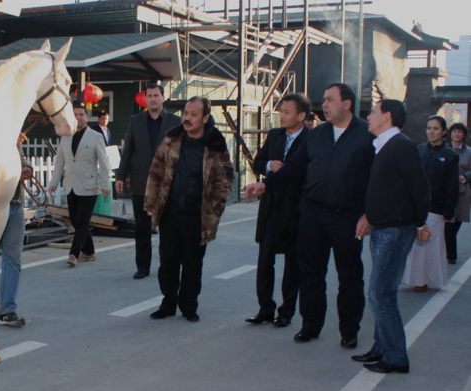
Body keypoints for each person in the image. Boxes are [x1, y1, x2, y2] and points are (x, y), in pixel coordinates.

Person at [245, 83, 375, 348]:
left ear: (347, 103)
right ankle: (310, 325)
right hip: (313, 213)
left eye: (330, 99)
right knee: (310, 273)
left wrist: (369, 214)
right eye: (323, 99)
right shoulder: (317, 136)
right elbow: (294, 168)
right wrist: (265, 184)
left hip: (347, 217)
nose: (324, 104)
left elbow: (378, 178)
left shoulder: (367, 135)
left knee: (349, 276)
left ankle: (349, 330)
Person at [351, 99, 430, 374]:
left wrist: (420, 222)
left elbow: (419, 188)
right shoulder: (383, 146)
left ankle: (396, 357)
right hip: (384, 229)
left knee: (381, 294)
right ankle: (381, 348)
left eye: (373, 112)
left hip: (395, 230)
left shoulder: (401, 146)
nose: (369, 116)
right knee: (380, 292)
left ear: (387, 116)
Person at [144, 97, 234, 322]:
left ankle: (189, 306)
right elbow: (156, 171)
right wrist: (151, 202)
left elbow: (225, 179)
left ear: (205, 118)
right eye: (186, 113)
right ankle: (168, 303)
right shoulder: (172, 139)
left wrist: (216, 208)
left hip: (197, 215)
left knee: (193, 265)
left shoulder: (215, 144)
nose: (187, 118)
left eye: (194, 114)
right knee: (168, 263)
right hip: (170, 212)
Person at [246, 93, 310, 328]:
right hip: (271, 204)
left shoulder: (310, 140)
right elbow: (256, 162)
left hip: (296, 208)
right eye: (281, 111)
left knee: (293, 263)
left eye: (286, 112)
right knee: (265, 259)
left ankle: (286, 311)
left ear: (301, 116)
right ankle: (265, 308)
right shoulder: (274, 136)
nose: (281, 116)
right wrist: (268, 165)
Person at [115, 84, 181, 279]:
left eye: (156, 95)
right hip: (140, 180)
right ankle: (142, 266)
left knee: (167, 227)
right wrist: (120, 176)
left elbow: (179, 152)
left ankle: (167, 266)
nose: (153, 99)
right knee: (142, 227)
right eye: (149, 96)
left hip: (166, 183)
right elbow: (128, 150)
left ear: (163, 98)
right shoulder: (135, 121)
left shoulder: (174, 121)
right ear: (145, 99)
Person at [401, 116, 459, 291]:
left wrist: (449, 212)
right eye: (429, 128)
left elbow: (452, 186)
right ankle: (417, 279)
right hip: (416, 205)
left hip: (436, 207)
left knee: (431, 246)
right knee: (415, 246)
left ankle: (426, 279)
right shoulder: (419, 150)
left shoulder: (449, 155)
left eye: (435, 128)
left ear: (443, 132)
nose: (431, 132)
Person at [49, 103, 110, 267]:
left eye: (81, 114)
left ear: (87, 117)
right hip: (70, 184)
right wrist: (54, 182)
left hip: (89, 186)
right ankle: (89, 252)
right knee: (76, 221)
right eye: (75, 114)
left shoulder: (95, 136)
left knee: (83, 221)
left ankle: (74, 254)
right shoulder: (65, 136)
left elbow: (104, 163)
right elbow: (60, 161)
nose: (78, 117)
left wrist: (105, 185)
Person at [0, 132, 30, 327]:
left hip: (15, 204)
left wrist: (25, 167)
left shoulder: (14, 139)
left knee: (13, 258)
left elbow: (24, 165)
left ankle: (8, 309)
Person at [444, 123, 471, 265]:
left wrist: (465, 176)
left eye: (460, 132)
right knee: (448, 223)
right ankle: (451, 255)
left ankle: (447, 251)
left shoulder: (469, 152)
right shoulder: (444, 149)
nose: (457, 134)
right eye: (454, 131)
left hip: (462, 191)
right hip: (446, 191)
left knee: (457, 221)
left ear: (464, 135)